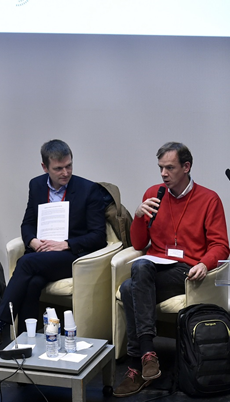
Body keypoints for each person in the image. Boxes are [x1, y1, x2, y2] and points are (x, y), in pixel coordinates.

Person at [0, 139, 107, 348]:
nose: (65, 172)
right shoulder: (36, 185)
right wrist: (33, 240)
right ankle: (26, 345)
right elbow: (28, 223)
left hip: (73, 256)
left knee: (26, 263)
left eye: (69, 166)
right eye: (58, 168)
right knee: (33, 282)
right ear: (44, 167)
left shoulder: (89, 190)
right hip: (43, 254)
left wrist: (65, 244)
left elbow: (98, 236)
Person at [113, 142, 229, 397]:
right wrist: (139, 215)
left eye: (169, 168)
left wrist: (204, 263)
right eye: (160, 168)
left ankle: (136, 363)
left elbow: (221, 245)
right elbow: (140, 243)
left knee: (130, 284)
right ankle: (146, 355)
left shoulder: (209, 199)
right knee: (134, 279)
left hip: (187, 272)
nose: (163, 174)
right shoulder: (154, 194)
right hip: (155, 267)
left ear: (186, 167)